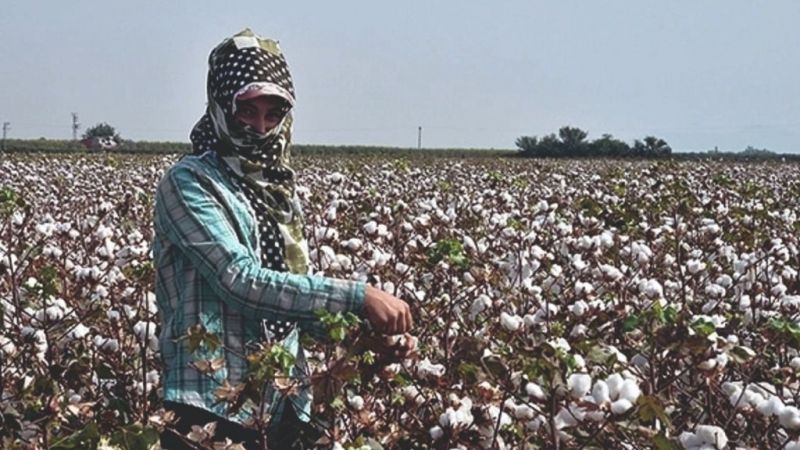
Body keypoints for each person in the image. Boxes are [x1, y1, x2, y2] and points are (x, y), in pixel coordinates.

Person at [152, 29, 414, 449]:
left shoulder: (279, 194)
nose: (260, 127)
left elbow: (287, 305)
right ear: (221, 104)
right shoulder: (189, 182)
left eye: (273, 113)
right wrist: (358, 296)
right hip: (208, 408)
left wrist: (364, 336)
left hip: (284, 406)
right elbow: (240, 280)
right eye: (246, 111)